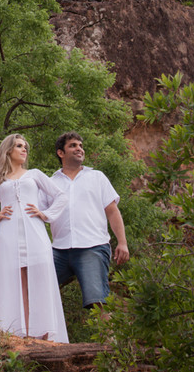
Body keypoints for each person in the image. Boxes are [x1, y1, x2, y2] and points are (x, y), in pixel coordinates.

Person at [0, 134, 70, 342]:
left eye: (25, 147)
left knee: (41, 281)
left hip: (36, 235)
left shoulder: (35, 174)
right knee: (15, 283)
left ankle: (46, 335)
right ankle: (20, 336)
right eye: (19, 146)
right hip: (7, 238)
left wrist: (45, 215)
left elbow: (62, 196)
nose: (24, 150)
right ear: (8, 151)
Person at [43, 131, 129, 310]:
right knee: (37, 288)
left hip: (93, 246)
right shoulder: (50, 182)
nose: (79, 149)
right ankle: (31, 335)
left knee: (97, 300)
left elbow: (112, 212)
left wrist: (122, 242)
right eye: (73, 145)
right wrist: (1, 226)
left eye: (81, 146)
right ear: (61, 153)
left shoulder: (97, 177)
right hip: (58, 249)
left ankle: (108, 338)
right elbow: (34, 214)